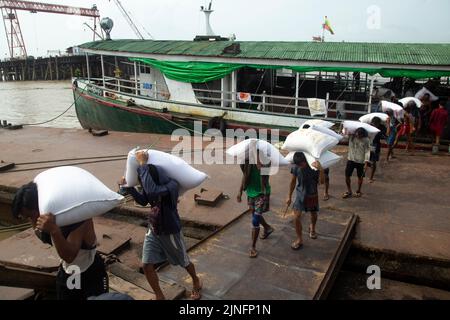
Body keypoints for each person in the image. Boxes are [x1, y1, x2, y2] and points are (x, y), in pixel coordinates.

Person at [119, 151, 202, 300]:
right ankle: (159, 295)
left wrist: (143, 165)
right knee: (146, 265)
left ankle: (196, 280)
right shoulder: (151, 183)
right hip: (154, 228)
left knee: (183, 261)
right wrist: (129, 186)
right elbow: (144, 200)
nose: (143, 182)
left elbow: (152, 191)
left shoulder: (171, 186)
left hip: (170, 230)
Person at [11, 182, 108, 300]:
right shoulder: (49, 218)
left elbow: (69, 256)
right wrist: (36, 222)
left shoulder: (77, 218)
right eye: (28, 218)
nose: (33, 221)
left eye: (31, 216)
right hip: (70, 271)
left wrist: (54, 231)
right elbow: (41, 236)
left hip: (88, 273)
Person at [237, 143, 274, 258]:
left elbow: (266, 178)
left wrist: (261, 168)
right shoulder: (247, 163)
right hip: (251, 192)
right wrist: (240, 191)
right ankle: (267, 228)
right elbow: (244, 176)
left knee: (255, 219)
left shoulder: (267, 162)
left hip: (262, 193)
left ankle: (252, 247)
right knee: (254, 213)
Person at [286, 152, 325, 250]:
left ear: (305, 161)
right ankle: (299, 239)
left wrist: (321, 170)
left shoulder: (314, 167)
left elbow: (322, 182)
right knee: (296, 217)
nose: (300, 166)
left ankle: (312, 227)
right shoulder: (296, 167)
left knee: (313, 214)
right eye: (298, 165)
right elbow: (293, 181)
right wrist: (289, 196)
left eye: (301, 164)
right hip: (300, 194)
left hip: (312, 194)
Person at [342, 127, 370, 198]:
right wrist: (345, 130)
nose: (359, 137)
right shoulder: (351, 137)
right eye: (357, 135)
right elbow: (343, 137)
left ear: (363, 135)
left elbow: (367, 151)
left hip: (361, 161)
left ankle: (358, 190)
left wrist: (366, 162)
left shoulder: (366, 140)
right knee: (347, 175)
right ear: (356, 133)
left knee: (360, 177)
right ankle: (349, 191)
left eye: (360, 136)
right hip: (351, 159)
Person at [368, 117, 386, 183]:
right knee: (367, 161)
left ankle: (371, 177)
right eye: (374, 123)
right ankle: (369, 166)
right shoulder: (369, 127)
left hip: (376, 146)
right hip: (369, 145)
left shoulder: (381, 128)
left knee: (373, 162)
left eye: (376, 124)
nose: (375, 125)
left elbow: (384, 135)